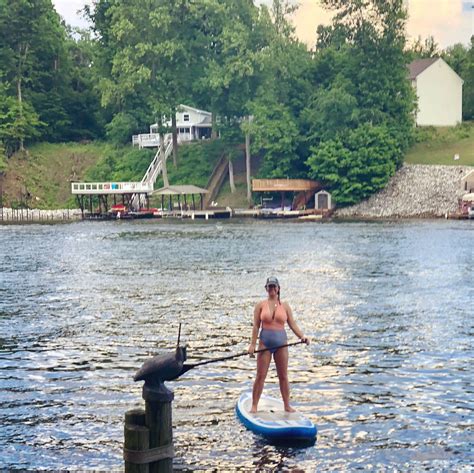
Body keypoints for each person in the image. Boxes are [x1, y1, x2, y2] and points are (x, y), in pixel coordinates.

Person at [248, 276, 309, 413]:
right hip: (265, 344)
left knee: (283, 376)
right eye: (269, 286)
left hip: (281, 344)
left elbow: (292, 324)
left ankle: (287, 405)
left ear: (278, 289)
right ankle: (254, 406)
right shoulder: (260, 305)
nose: (272, 289)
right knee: (260, 376)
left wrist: (302, 336)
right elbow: (256, 326)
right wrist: (252, 344)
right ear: (266, 288)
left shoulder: (285, 306)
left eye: (274, 286)